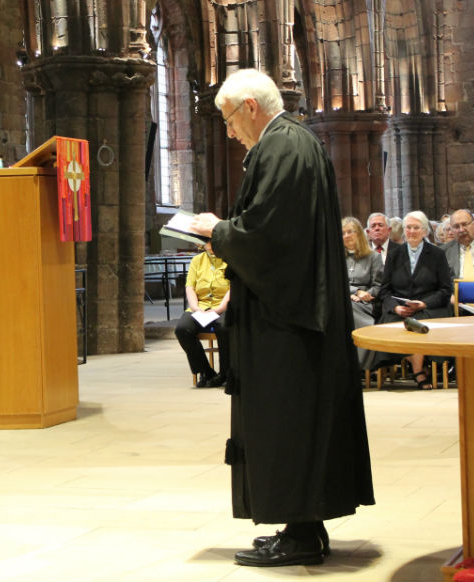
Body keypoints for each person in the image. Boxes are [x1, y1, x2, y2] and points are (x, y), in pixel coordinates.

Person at [190, 68, 374, 568]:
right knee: (297, 424)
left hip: (287, 324)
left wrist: (218, 230)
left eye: (229, 119)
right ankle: (302, 527)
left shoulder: (280, 146)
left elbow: (269, 236)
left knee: (289, 423)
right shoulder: (294, 142)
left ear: (251, 106)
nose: (229, 132)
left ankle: (300, 534)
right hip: (294, 315)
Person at [377, 211, 453, 389]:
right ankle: (418, 369)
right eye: (408, 228)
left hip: (429, 307)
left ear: (425, 231)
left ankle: (417, 370)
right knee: (396, 323)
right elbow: (385, 290)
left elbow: (445, 290)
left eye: (416, 228)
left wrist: (423, 304)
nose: (411, 231)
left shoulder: (437, 254)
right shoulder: (395, 254)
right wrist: (396, 308)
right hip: (400, 308)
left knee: (418, 323)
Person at [175, 241, 230, 388]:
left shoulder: (230, 258)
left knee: (224, 327)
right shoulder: (197, 260)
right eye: (206, 242)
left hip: (224, 305)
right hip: (201, 306)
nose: (210, 245)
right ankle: (206, 372)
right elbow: (190, 287)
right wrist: (195, 307)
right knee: (182, 329)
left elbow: (233, 288)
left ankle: (226, 373)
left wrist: (219, 309)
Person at [342, 217, 382, 369]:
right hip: (345, 299)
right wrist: (353, 292)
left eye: (350, 232)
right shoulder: (338, 258)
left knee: (350, 309)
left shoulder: (373, 257)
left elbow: (378, 286)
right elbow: (337, 282)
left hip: (367, 303)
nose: (346, 236)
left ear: (359, 234)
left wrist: (364, 294)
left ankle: (358, 364)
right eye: (343, 233)